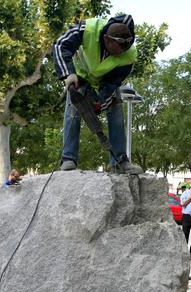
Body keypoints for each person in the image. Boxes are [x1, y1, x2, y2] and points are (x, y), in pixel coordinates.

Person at [53, 14, 142, 174]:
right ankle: (68, 158)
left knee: (116, 107)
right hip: (79, 75)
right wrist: (68, 73)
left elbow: (113, 82)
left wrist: (101, 102)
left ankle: (119, 161)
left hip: (104, 82)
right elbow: (60, 45)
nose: (118, 55)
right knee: (73, 109)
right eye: (115, 50)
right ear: (107, 39)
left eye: (121, 52)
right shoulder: (88, 29)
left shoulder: (129, 55)